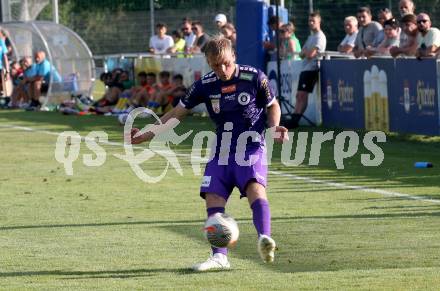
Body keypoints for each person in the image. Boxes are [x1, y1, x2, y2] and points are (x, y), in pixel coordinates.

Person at [128, 35, 288, 271]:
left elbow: (272, 105)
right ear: (208, 62)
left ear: (233, 55)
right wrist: (145, 134)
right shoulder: (205, 85)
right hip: (221, 150)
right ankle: (219, 257)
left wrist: (274, 127)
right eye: (215, 65)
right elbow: (176, 113)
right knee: (213, 197)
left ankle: (265, 238)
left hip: (251, 146)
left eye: (225, 62)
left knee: (255, 189)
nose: (222, 69)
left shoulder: (254, 77)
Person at [287, 11, 326, 129]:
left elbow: (310, 54)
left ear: (319, 22)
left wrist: (306, 52)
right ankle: (294, 119)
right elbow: (303, 53)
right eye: (309, 21)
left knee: (302, 95)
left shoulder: (320, 36)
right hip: (305, 68)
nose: (310, 23)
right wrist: (306, 53)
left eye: (313, 21)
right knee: (299, 95)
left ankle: (295, 120)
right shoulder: (311, 37)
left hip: (312, 68)